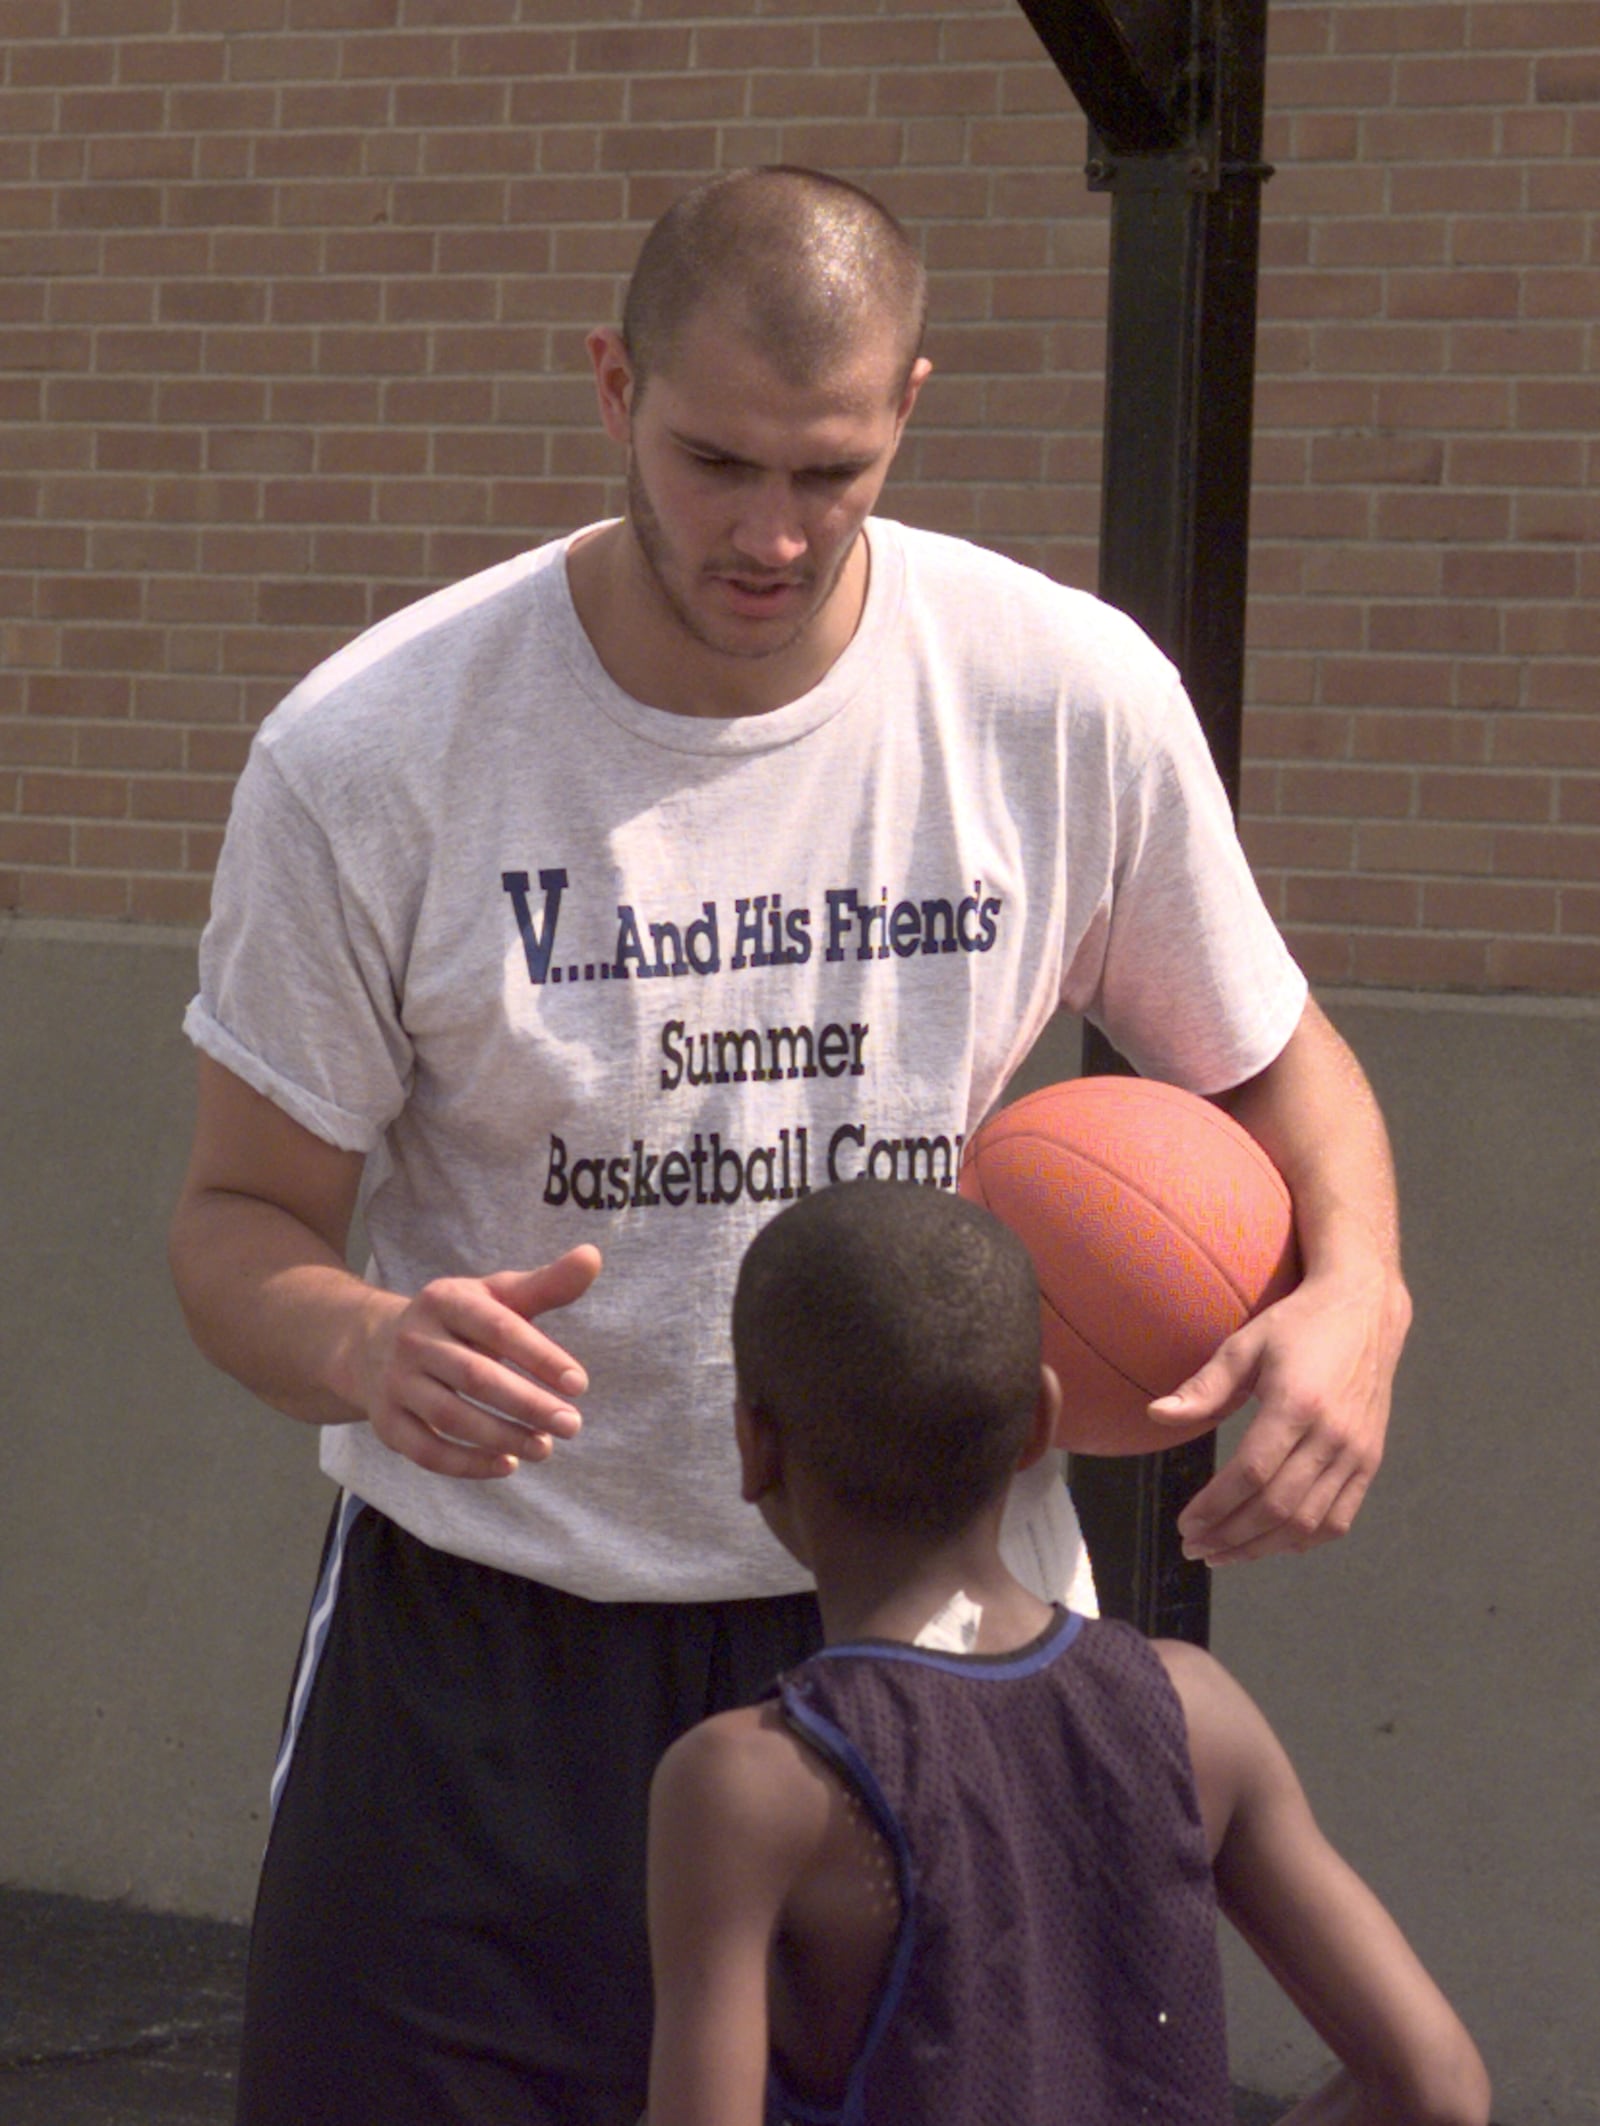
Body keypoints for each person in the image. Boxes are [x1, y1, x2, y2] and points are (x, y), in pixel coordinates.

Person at [168, 167, 1412, 2126]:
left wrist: (1354, 1292)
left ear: (908, 403)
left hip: (934, 1620)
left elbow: (1268, 1059)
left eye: (826, 470)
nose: (765, 530)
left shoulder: (1052, 693)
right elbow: (239, 1225)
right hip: (497, 1634)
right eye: (712, 458)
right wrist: (362, 1343)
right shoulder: (378, 749)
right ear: (610, 387)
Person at [646, 1181, 1487, 2126]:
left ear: (752, 1445)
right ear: (1041, 1425)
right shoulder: (1191, 1709)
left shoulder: (749, 1785)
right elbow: (1436, 2087)